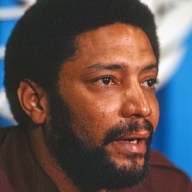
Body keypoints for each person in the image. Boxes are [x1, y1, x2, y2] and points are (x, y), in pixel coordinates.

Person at [0, 0, 191, 191]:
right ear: (35, 102)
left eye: (148, 82)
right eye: (107, 80)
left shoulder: (167, 184)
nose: (143, 108)